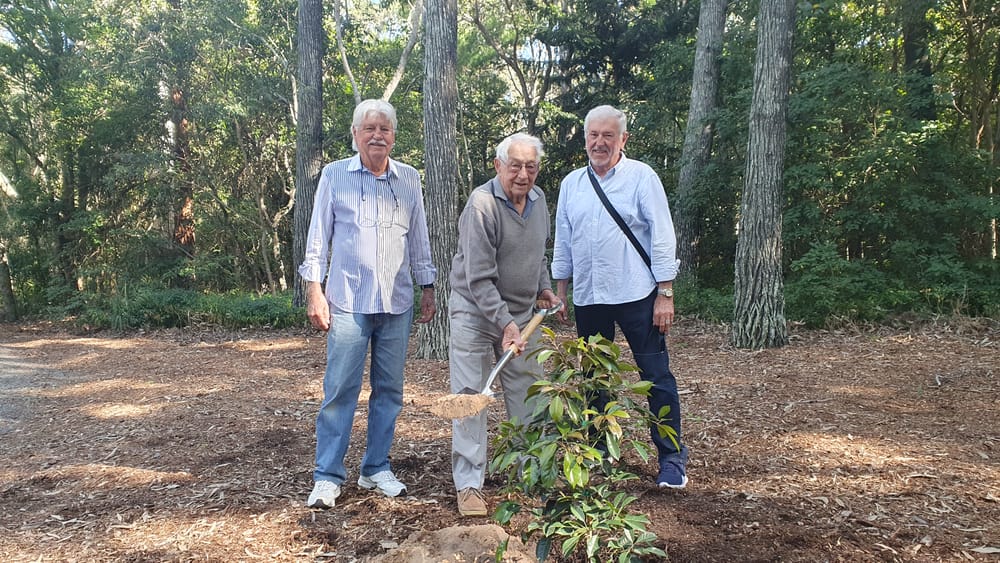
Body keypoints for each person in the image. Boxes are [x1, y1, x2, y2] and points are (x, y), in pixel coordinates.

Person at [298, 99, 437, 509]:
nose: (378, 135)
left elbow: (419, 239)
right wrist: (314, 290)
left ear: (394, 135)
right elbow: (319, 236)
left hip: (396, 303)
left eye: (385, 128)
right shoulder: (335, 175)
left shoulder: (409, 178)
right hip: (348, 302)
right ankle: (327, 475)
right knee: (340, 390)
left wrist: (427, 286)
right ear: (356, 134)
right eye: (369, 128)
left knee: (390, 392)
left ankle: (376, 467)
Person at [551, 105, 689, 488]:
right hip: (590, 297)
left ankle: (671, 458)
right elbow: (564, 239)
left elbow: (662, 236)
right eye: (593, 135)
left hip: (638, 294)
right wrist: (561, 287)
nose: (599, 142)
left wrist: (665, 293)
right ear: (585, 140)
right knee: (595, 377)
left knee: (655, 376)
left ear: (623, 139)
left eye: (608, 135)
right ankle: (598, 453)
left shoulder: (642, 177)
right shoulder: (571, 184)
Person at [448, 132, 561, 516]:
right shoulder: (482, 205)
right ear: (498, 166)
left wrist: (543, 289)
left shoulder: (540, 200)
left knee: (530, 395)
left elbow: (538, 254)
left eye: (531, 166)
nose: (523, 174)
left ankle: (532, 477)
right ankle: (468, 486)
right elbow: (478, 277)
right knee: (470, 398)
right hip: (476, 315)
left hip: (521, 317)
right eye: (515, 165)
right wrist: (504, 323)